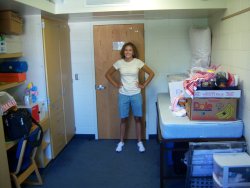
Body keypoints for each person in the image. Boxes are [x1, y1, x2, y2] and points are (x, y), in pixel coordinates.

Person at [105, 42, 154, 152]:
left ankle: (139, 142)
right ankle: (121, 142)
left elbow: (151, 73)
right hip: (123, 94)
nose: (128, 52)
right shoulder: (119, 63)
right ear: (123, 51)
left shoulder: (138, 62)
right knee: (123, 119)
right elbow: (107, 74)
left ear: (133, 52)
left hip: (136, 94)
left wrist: (143, 85)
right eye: (126, 50)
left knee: (138, 119)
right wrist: (116, 84)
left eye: (130, 50)